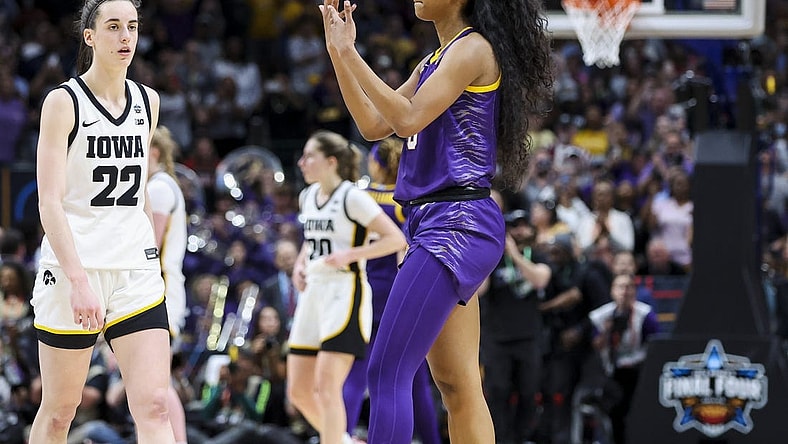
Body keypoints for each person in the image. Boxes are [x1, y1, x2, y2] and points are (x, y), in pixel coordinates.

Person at [318, 0, 553, 442]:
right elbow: (373, 124)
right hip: (436, 223)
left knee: (387, 371)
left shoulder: (473, 50)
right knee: (458, 385)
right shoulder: (433, 60)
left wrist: (351, 54)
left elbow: (406, 119)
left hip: (456, 223)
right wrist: (338, 50)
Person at [28, 1, 176, 443]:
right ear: (89, 36)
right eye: (113, 27)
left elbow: (141, 193)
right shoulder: (63, 102)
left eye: (131, 27)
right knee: (59, 411)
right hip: (76, 267)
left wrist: (154, 258)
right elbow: (48, 201)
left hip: (135, 268)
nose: (125, 37)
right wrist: (77, 281)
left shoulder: (148, 101)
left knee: (153, 403)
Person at [287, 130, 407, 444]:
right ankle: (343, 441)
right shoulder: (307, 196)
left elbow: (396, 239)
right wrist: (300, 264)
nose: (302, 162)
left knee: (328, 389)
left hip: (346, 291)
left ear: (331, 161)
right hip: (313, 291)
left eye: (309, 155)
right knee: (299, 391)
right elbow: (312, 242)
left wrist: (352, 254)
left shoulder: (352, 196)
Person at [341, 136, 441, 444]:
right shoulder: (408, 201)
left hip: (364, 292)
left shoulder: (357, 197)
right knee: (415, 379)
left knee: (358, 373)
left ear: (375, 163)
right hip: (400, 292)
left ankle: (339, 436)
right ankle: (432, 440)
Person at [479, 207, 552, 444]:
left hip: (528, 337)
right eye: (514, 227)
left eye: (523, 226)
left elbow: (540, 280)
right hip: (497, 339)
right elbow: (480, 290)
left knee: (529, 393)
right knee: (497, 392)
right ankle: (499, 440)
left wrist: (515, 256)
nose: (519, 231)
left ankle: (521, 438)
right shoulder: (493, 257)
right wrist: (492, 254)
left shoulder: (538, 255)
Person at [147, 125, 189, 444]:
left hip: (160, 291)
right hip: (160, 290)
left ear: (154, 153)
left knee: (158, 385)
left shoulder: (159, 187)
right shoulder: (160, 184)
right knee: (155, 385)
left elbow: (149, 244)